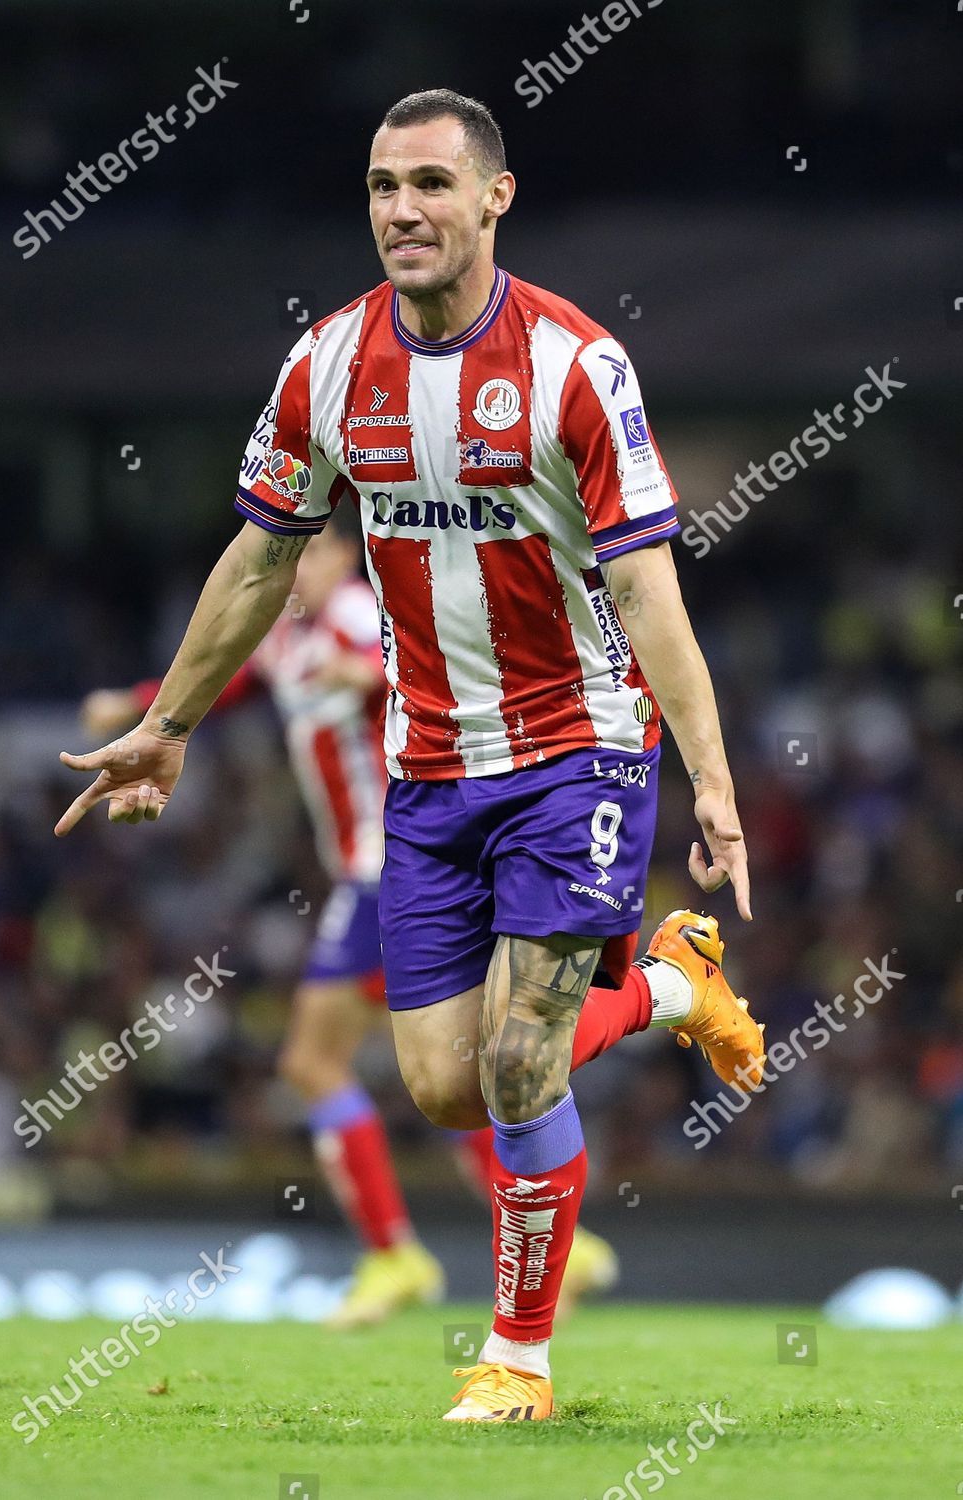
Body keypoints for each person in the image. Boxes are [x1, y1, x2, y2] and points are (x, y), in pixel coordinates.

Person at [56, 89, 766, 1422]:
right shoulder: (326, 366)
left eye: (433, 184)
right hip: (429, 769)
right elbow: (264, 555)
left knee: (521, 1060)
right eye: (384, 186)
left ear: (496, 196)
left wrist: (712, 776)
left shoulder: (573, 365)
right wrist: (171, 724)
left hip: (579, 746)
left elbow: (650, 589)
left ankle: (517, 1362)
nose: (403, 211)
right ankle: (670, 989)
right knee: (447, 1086)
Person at [79, 512, 622, 1328]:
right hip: (373, 871)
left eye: (303, 557)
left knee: (314, 1059)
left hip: (393, 866)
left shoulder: (359, 615)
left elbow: (410, 659)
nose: (290, 574)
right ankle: (554, 1242)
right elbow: (230, 679)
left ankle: (393, 1253)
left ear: (340, 555)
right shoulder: (283, 633)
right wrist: (138, 706)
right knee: (445, 1070)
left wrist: (366, 674)